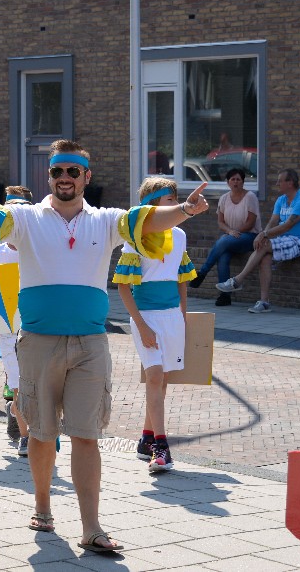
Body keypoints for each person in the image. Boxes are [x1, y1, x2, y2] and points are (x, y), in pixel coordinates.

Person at [0, 139, 208, 552]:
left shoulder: (106, 220)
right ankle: (44, 506)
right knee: (43, 435)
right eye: (57, 171)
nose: (64, 178)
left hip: (90, 344)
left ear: (87, 176)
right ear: (48, 176)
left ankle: (91, 527)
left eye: (73, 171)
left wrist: (186, 210)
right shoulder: (26, 217)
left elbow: (149, 220)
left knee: (86, 435)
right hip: (38, 342)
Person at [115, 177, 197, 473]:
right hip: (145, 316)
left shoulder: (181, 236)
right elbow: (124, 287)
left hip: (172, 315)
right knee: (153, 376)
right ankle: (161, 447)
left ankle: (146, 438)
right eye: (169, 200)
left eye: (176, 199)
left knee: (162, 381)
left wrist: (183, 319)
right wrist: (140, 324)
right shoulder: (135, 239)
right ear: (152, 206)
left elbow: (183, 281)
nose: (175, 205)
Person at [216, 169, 300, 314]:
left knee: (264, 245)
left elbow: (287, 225)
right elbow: (273, 221)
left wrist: (264, 234)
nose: (277, 184)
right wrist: (264, 235)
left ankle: (237, 281)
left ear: (290, 183)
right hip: (284, 239)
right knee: (264, 258)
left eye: (280, 181)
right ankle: (264, 302)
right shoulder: (281, 199)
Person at [0, 185, 33, 454]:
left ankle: (28, 422)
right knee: (16, 380)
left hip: (36, 320)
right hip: (8, 325)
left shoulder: (38, 249)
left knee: (36, 378)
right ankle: (26, 435)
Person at [189, 167, 260, 306]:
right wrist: (230, 231)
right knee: (223, 255)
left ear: (243, 182)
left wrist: (234, 232)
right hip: (230, 237)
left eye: (238, 179)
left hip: (249, 237)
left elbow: (251, 222)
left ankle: (202, 272)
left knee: (224, 240)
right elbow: (220, 222)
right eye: (232, 179)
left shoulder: (250, 197)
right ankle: (225, 296)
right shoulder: (224, 198)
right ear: (228, 182)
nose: (235, 182)